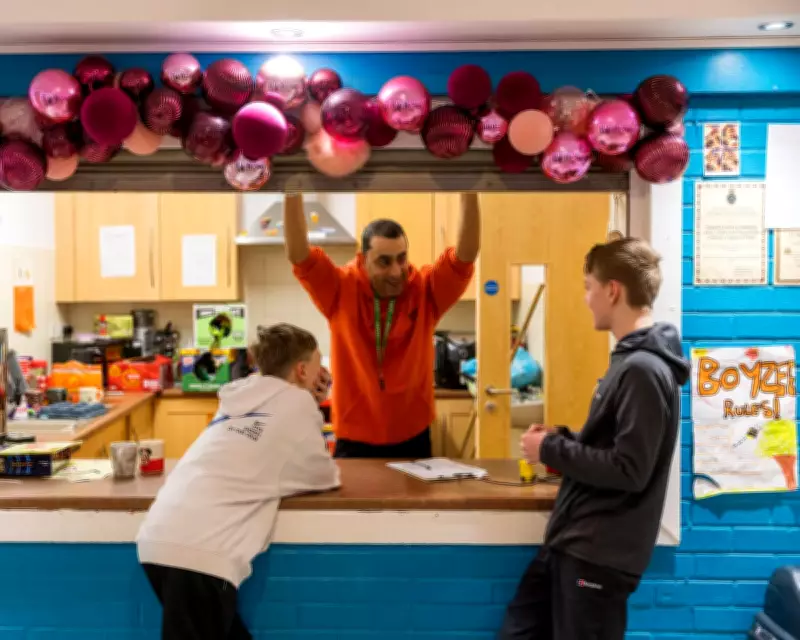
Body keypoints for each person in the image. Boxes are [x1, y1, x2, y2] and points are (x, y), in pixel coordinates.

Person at [500, 237, 690, 640]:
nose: (587, 299)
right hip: (574, 544)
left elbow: (630, 469)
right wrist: (563, 439)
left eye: (589, 287)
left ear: (613, 290)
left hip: (599, 557)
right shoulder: (630, 361)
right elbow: (613, 447)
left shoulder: (643, 369)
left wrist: (550, 449)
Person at [136, 323, 340, 640]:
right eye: (317, 365)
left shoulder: (240, 396)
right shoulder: (297, 403)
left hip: (161, 537)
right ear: (302, 370)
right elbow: (322, 475)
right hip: (201, 554)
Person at [285, 191, 480, 458]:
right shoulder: (340, 289)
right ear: (363, 259)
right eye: (384, 262)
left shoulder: (425, 290)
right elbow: (299, 255)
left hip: (413, 437)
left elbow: (465, 256)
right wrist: (292, 189)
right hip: (354, 438)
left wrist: (470, 189)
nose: (396, 271)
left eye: (402, 258)